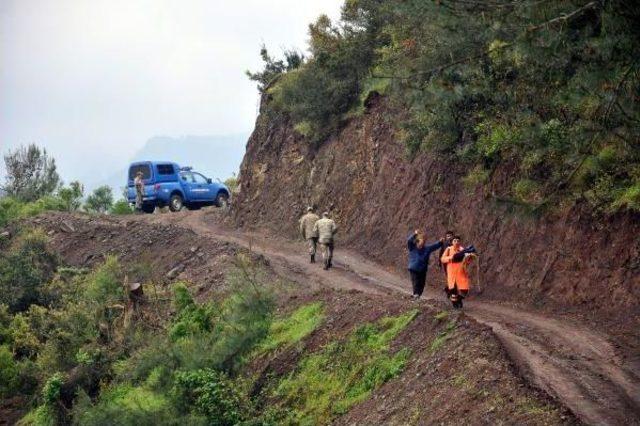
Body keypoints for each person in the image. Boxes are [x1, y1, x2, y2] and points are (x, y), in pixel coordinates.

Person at [440, 235, 477, 309]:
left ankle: (458, 300)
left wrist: (470, 257)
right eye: (455, 241)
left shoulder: (462, 250)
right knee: (453, 291)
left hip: (461, 272)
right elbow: (443, 259)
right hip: (451, 273)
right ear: (452, 242)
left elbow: (466, 261)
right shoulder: (449, 249)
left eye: (458, 241)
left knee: (464, 289)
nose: (456, 242)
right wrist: (452, 258)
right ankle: (455, 306)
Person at [407, 230, 444, 300]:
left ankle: (418, 295)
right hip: (414, 268)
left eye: (424, 240)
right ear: (418, 240)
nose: (423, 241)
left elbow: (434, 246)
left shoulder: (427, 248)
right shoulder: (412, 247)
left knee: (422, 284)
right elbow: (409, 240)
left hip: (422, 269)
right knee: (416, 281)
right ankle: (416, 295)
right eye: (422, 240)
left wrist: (440, 242)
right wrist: (415, 234)